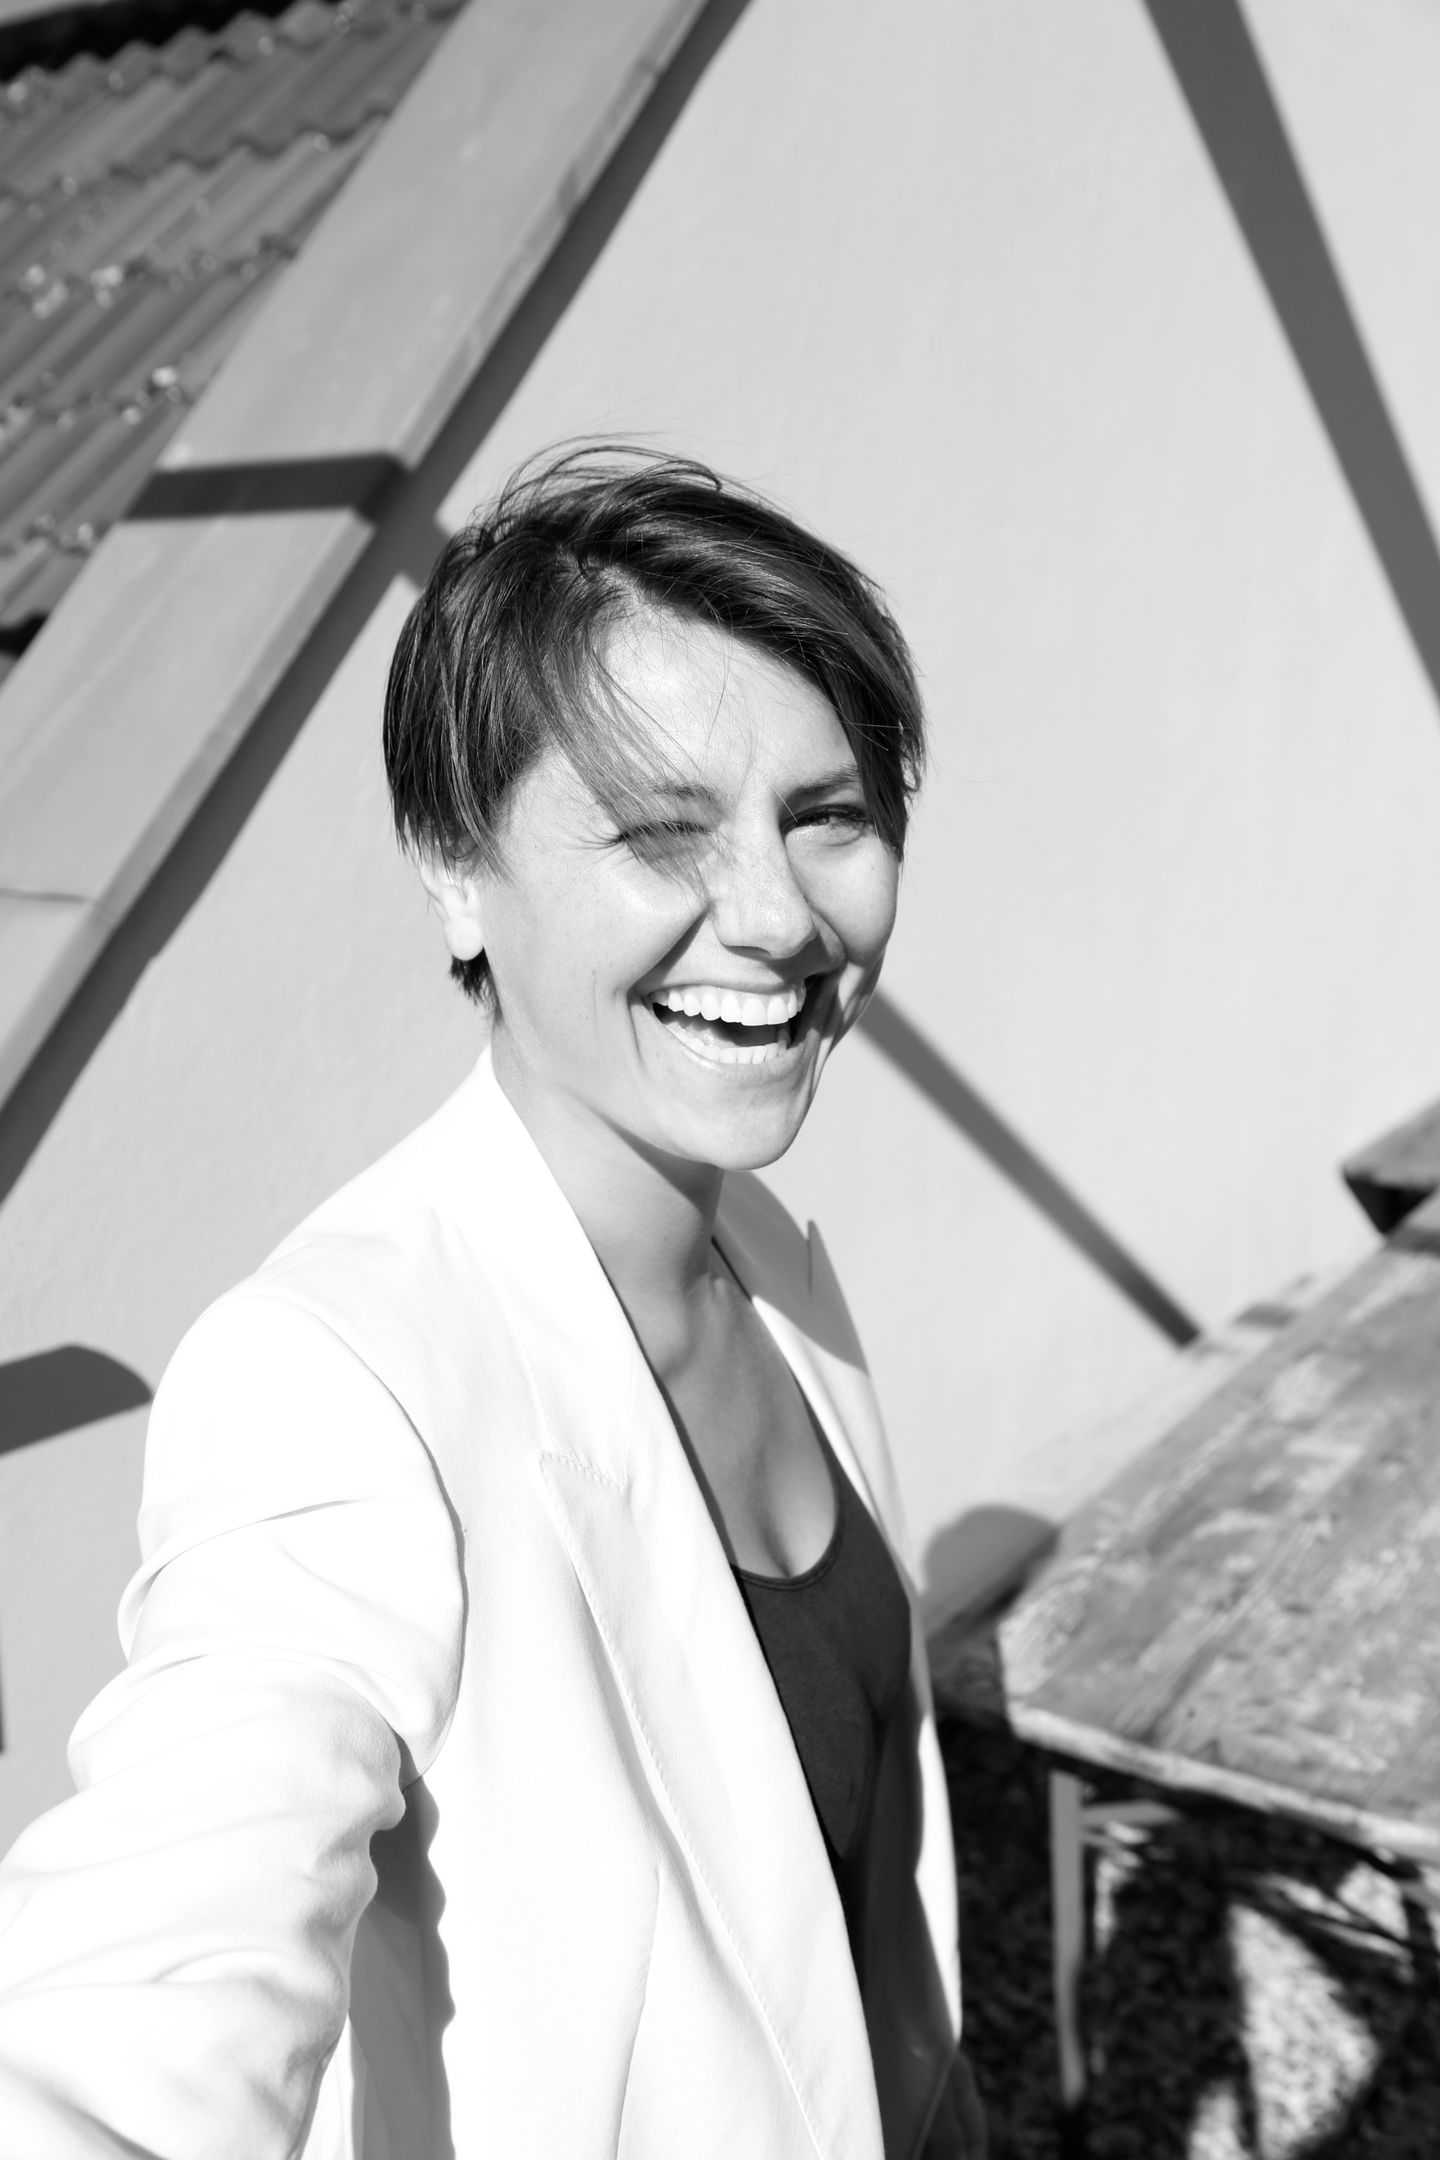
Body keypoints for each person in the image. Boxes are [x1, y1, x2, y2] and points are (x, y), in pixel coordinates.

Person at [0, 448, 985, 2158]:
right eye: (661, 830)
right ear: (456, 866)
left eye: (826, 815)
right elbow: (154, 1981)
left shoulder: (766, 1259)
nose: (775, 917)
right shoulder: (338, 1379)